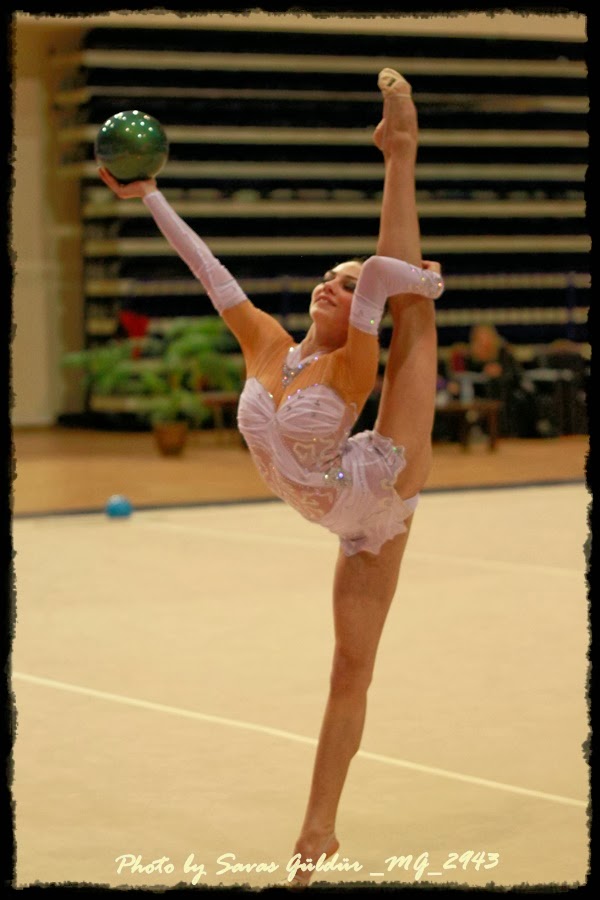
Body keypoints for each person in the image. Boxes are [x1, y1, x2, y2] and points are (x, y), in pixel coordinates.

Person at [98, 68, 444, 887]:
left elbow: (383, 287)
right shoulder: (265, 343)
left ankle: (400, 149)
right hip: (339, 517)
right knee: (347, 672)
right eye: (330, 275)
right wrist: (149, 195)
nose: (334, 284)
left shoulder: (354, 362)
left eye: (348, 286)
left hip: (382, 483)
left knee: (416, 319)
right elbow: (206, 267)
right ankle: (319, 832)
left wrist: (408, 283)